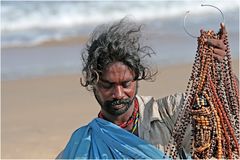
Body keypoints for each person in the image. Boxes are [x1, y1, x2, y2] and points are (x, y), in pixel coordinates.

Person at [57, 18, 233, 159]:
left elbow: (228, 122)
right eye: (107, 85)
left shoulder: (169, 114)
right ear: (93, 82)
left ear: (137, 78)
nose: (118, 94)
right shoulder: (82, 144)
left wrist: (223, 72)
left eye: (126, 84)